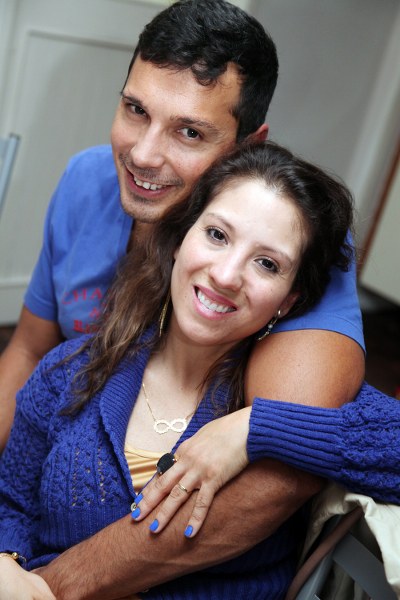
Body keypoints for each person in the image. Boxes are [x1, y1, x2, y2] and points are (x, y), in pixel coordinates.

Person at [0, 0, 365, 597]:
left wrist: (50, 588)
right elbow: (27, 352)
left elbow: (284, 469)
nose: (144, 155)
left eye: (189, 132)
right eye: (135, 110)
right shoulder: (86, 181)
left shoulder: (289, 242)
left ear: (246, 147)